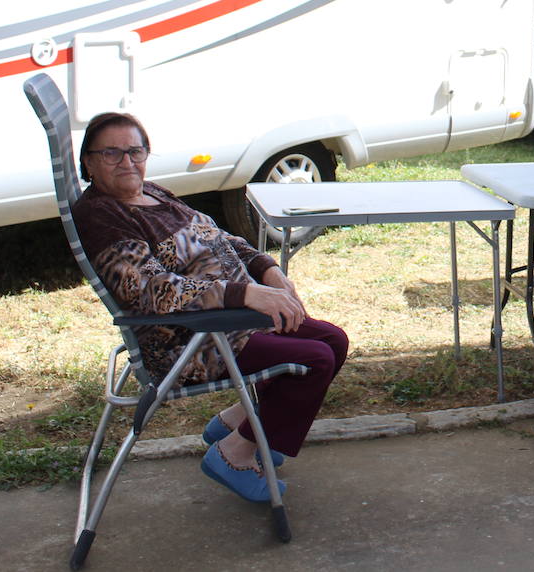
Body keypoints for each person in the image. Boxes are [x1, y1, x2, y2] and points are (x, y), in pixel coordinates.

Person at [71, 111, 348, 503]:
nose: (127, 162)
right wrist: (244, 294)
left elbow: (217, 235)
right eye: (112, 154)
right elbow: (149, 290)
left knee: (333, 341)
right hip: (190, 339)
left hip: (232, 321)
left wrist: (265, 269)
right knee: (315, 360)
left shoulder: (153, 192)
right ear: (90, 162)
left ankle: (240, 422)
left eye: (135, 151)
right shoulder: (104, 216)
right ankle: (232, 454)